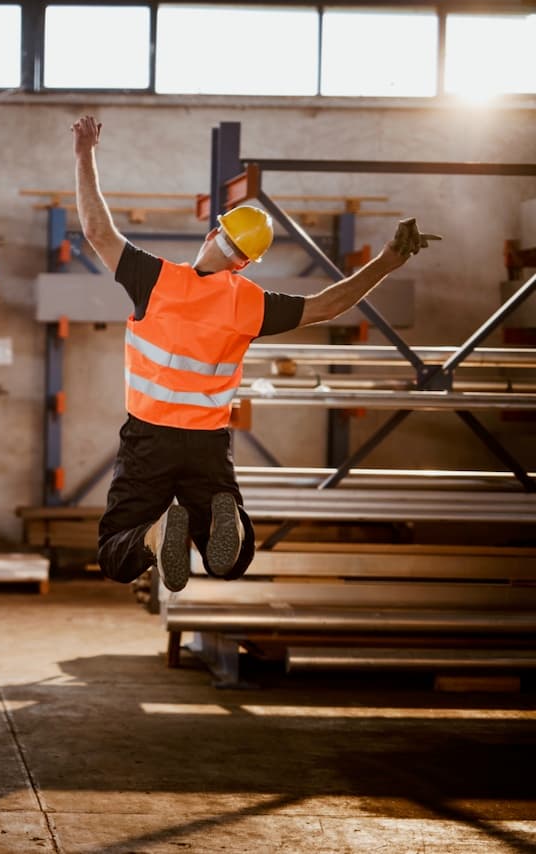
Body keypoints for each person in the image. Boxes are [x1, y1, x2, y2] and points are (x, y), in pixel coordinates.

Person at [70, 114, 438, 595]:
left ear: (212, 234)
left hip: (149, 440)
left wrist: (84, 153)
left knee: (114, 553)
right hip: (207, 446)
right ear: (244, 263)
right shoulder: (248, 302)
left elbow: (97, 230)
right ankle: (232, 525)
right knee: (231, 561)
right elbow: (329, 305)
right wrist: (388, 260)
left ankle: (153, 536)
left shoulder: (156, 280)